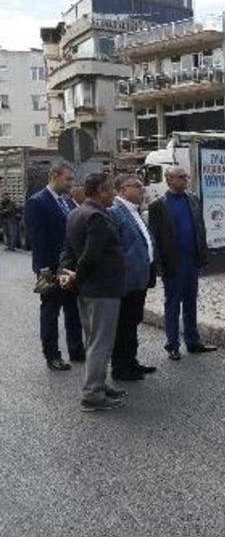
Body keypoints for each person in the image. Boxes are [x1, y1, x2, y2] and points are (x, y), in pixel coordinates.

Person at [58, 173, 127, 412]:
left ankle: (98, 383)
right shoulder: (96, 217)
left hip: (88, 289)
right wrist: (75, 275)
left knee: (93, 340)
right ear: (101, 192)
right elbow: (91, 255)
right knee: (101, 342)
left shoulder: (76, 213)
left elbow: (67, 249)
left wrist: (65, 272)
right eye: (111, 189)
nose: (114, 194)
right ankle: (92, 394)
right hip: (102, 288)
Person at [147, 166, 216, 361]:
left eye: (186, 176)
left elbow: (200, 227)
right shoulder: (158, 205)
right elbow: (154, 237)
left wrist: (203, 256)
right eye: (181, 177)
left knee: (191, 302)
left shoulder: (193, 200)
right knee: (172, 304)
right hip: (173, 263)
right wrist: (159, 265)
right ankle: (173, 344)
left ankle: (193, 342)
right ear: (169, 180)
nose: (186, 179)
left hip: (192, 260)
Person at [23, 163, 85, 371]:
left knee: (73, 309)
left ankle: (76, 350)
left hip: (69, 267)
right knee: (49, 311)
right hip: (47, 269)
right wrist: (43, 270)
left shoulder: (67, 201)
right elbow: (37, 239)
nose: (71, 184)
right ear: (55, 176)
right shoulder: (37, 202)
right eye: (68, 179)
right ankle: (52, 355)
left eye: (72, 179)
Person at [109, 175, 157, 381]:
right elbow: (114, 248)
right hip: (126, 280)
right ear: (122, 189)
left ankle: (131, 361)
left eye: (141, 186)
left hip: (140, 277)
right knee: (123, 324)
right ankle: (120, 367)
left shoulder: (135, 211)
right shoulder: (115, 212)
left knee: (133, 322)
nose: (141, 189)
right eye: (136, 186)